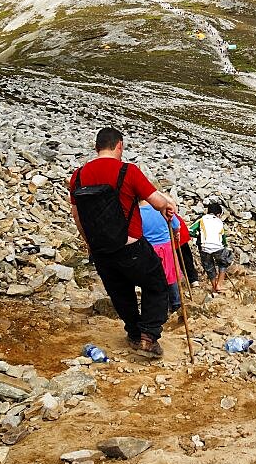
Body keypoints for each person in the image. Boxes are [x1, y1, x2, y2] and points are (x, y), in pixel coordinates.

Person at [69, 127, 175, 357]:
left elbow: (77, 217)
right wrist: (168, 205)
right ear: (119, 146)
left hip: (100, 249)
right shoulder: (128, 171)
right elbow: (157, 202)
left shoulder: (78, 176)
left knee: (121, 293)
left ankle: (134, 334)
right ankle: (147, 338)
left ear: (97, 147)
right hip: (130, 245)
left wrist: (90, 244)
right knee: (156, 283)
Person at [139, 197, 182, 315]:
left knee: (154, 279)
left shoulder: (137, 212)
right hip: (167, 247)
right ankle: (176, 302)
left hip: (148, 249)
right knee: (171, 276)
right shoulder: (163, 209)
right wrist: (175, 233)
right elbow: (176, 225)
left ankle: (160, 307)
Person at [192, 202, 232, 293]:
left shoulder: (201, 219)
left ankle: (214, 286)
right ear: (218, 214)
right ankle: (219, 285)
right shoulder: (219, 222)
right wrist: (225, 246)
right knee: (224, 262)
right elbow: (223, 238)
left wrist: (198, 235)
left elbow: (190, 230)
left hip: (204, 247)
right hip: (218, 247)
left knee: (209, 267)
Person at [172, 210, 200, 286]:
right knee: (186, 258)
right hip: (178, 236)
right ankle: (192, 279)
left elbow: (175, 225)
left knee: (184, 258)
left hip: (177, 237)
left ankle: (192, 279)